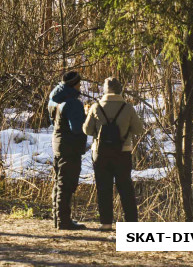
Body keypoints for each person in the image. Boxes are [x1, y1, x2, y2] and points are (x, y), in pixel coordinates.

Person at [83, 77, 144, 231]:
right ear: (120, 89)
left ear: (105, 90)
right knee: (125, 188)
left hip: (100, 153)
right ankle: (131, 224)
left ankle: (106, 223)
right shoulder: (128, 108)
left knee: (103, 187)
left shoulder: (96, 107)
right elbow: (138, 129)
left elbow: (87, 130)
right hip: (122, 152)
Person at [48, 71, 88, 230]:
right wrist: (85, 115)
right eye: (79, 84)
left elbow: (53, 121)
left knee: (59, 182)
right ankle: (64, 221)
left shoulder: (54, 100)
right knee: (67, 184)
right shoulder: (73, 103)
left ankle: (58, 218)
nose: (80, 86)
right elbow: (77, 128)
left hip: (58, 143)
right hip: (70, 146)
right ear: (74, 85)